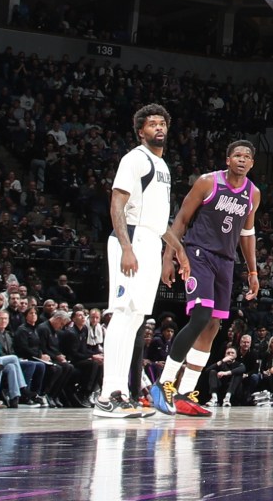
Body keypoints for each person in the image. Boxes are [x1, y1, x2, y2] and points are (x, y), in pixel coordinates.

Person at [152, 140, 261, 418]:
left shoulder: (253, 193)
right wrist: (168, 257)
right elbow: (181, 220)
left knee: (213, 326)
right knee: (200, 316)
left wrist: (252, 272)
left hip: (226, 261)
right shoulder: (207, 182)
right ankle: (163, 383)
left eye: (247, 156)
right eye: (237, 155)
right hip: (198, 253)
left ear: (252, 163)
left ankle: (185, 393)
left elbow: (247, 234)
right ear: (227, 159)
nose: (242, 159)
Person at [92, 103, 171, 418]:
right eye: (152, 124)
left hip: (151, 240)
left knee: (137, 318)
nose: (158, 127)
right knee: (123, 314)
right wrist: (126, 247)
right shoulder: (134, 158)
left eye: (162, 123)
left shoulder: (162, 165)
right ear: (141, 131)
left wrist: (177, 250)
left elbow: (159, 220)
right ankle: (107, 395)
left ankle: (123, 394)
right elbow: (117, 204)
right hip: (132, 238)